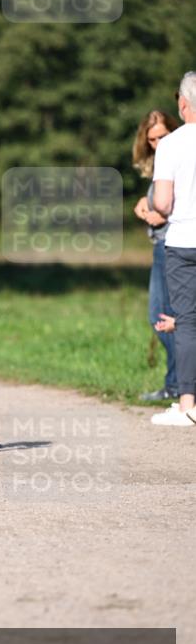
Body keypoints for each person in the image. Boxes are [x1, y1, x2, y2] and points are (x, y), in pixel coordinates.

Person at [150, 71, 196, 427]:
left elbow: (162, 203)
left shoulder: (171, 145)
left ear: (182, 104)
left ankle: (187, 404)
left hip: (183, 242)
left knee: (187, 322)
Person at [132, 110, 179, 401]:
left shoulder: (181, 156)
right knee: (159, 317)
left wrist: (163, 217)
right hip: (159, 245)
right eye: (152, 139)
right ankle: (177, 382)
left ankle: (179, 384)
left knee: (169, 318)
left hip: (171, 244)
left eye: (162, 136)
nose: (158, 143)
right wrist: (144, 203)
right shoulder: (160, 162)